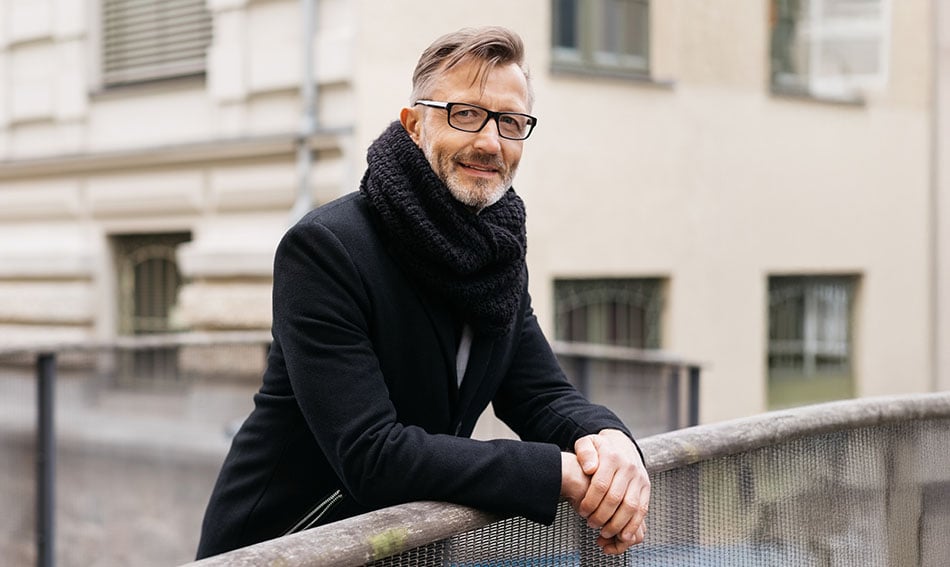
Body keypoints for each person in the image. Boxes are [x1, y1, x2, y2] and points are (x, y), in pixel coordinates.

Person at [196, 26, 650, 559]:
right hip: (286, 546)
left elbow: (539, 394)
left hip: (404, 545)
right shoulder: (326, 249)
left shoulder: (498, 254)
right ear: (415, 125)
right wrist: (558, 473)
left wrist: (610, 442)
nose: (490, 142)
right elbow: (372, 453)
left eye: (510, 122)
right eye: (465, 114)